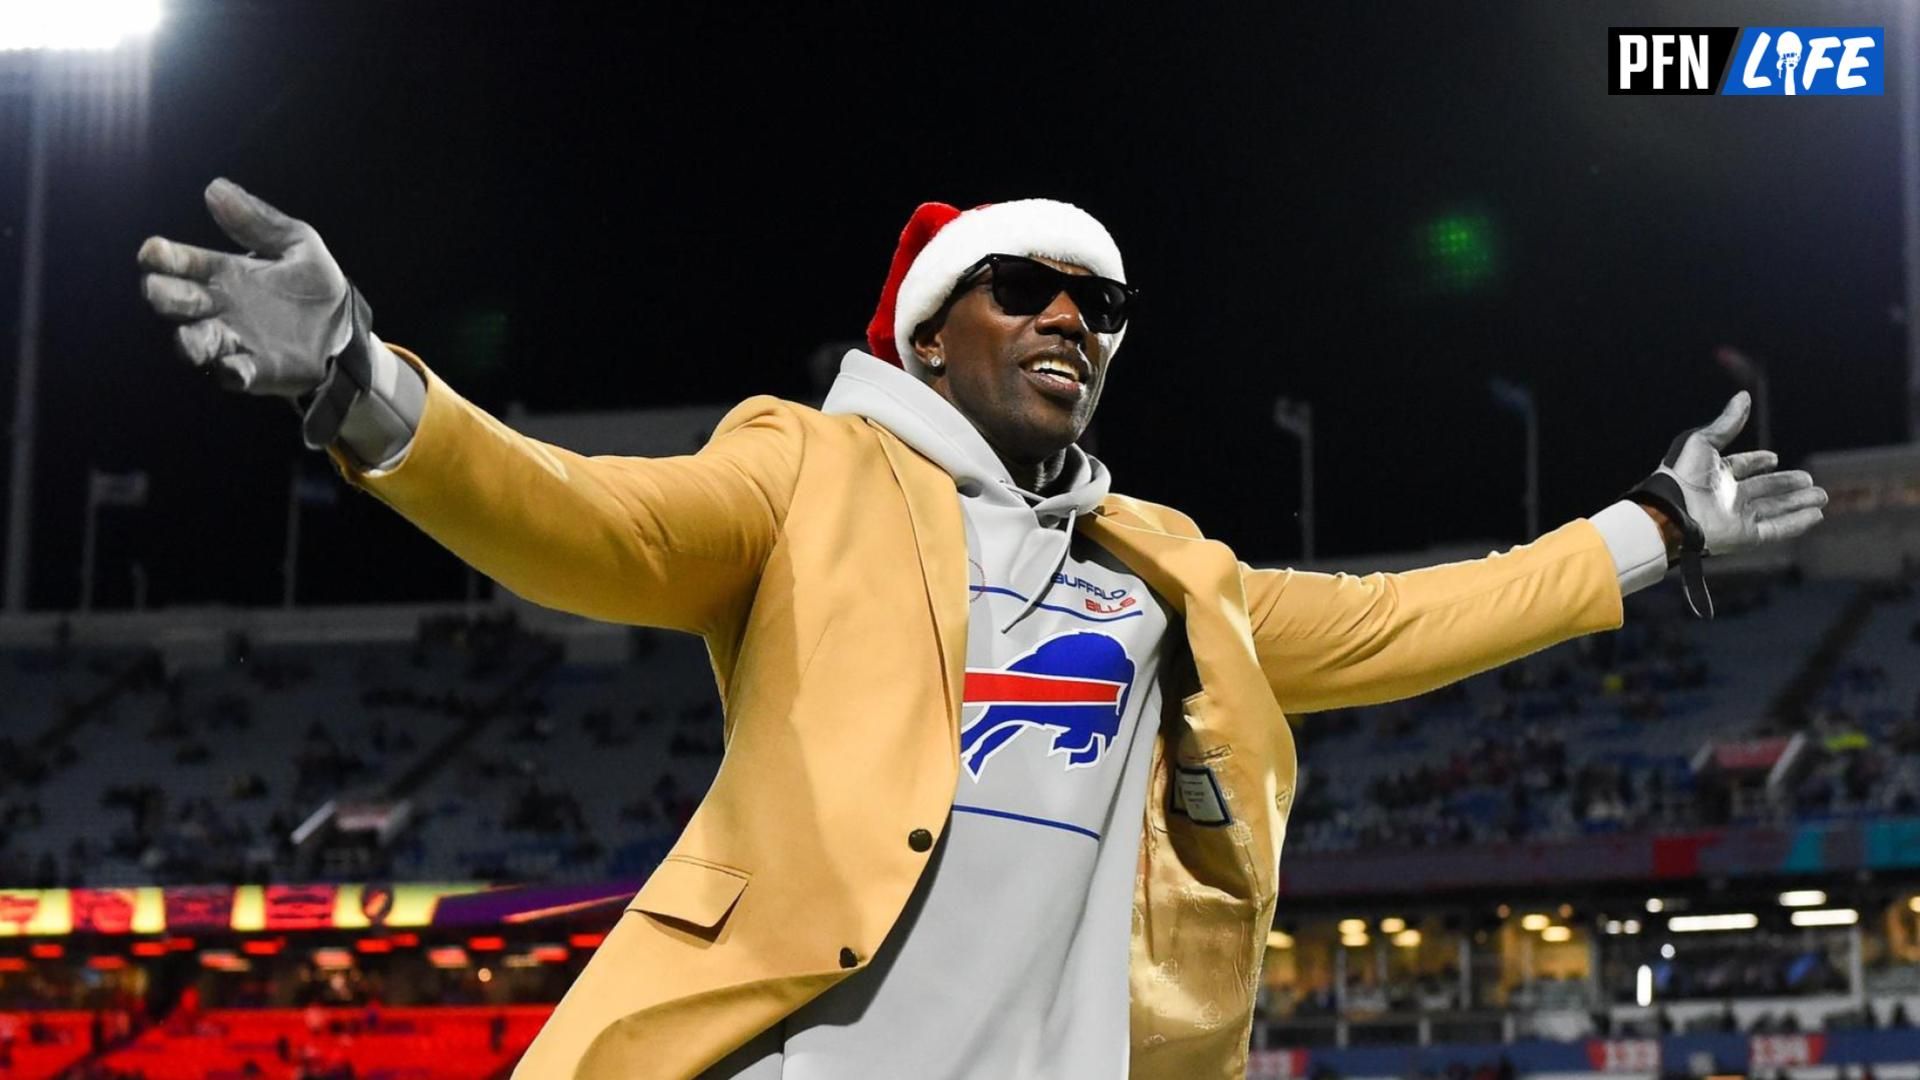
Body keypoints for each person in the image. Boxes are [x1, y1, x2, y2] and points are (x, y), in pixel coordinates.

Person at [138, 181, 1827, 1079]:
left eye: (1099, 306)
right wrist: (365, 389)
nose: (1072, 322)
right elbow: (584, 522)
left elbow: (1402, 621)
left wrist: (1653, 528)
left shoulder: (1162, 572)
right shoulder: (808, 474)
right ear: (931, 337)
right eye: (1028, 289)